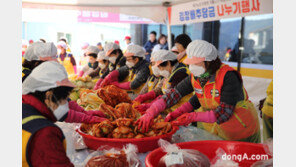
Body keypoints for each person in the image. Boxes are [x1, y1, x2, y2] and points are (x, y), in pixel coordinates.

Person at [136, 40, 260, 143]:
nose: (191, 67)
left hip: (242, 128)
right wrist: (152, 111)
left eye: (196, 63)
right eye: (190, 63)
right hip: (217, 129)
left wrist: (193, 116)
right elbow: (177, 95)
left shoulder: (228, 76)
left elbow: (224, 112)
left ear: (209, 62)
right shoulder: (197, 75)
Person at [22, 61, 106, 167]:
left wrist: (87, 114)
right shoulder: (45, 132)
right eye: (64, 99)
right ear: (48, 95)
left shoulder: (24, 107)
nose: (66, 104)